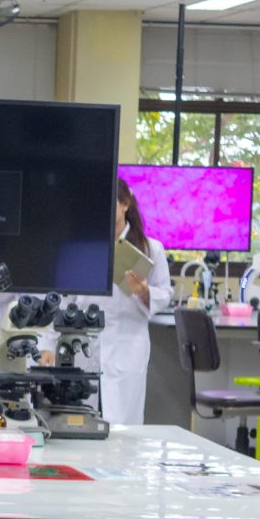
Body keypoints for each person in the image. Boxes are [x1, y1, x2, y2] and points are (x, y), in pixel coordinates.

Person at [94, 176, 171, 427]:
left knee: (123, 427)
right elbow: (68, 298)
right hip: (89, 349)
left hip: (126, 347)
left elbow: (165, 294)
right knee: (84, 423)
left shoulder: (150, 249)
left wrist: (144, 292)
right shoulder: (89, 247)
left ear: (125, 204)